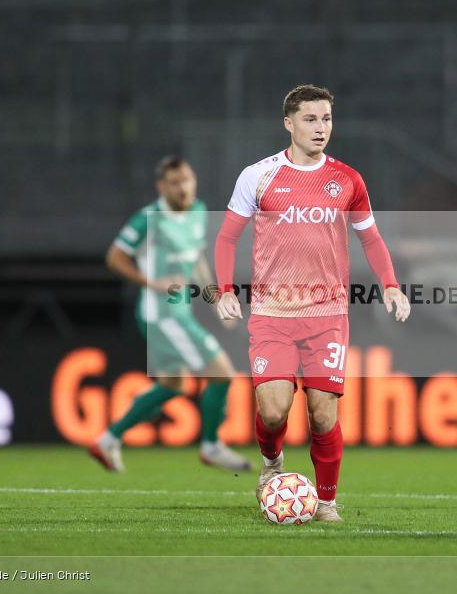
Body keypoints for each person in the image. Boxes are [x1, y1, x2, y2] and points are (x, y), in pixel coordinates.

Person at [214, 85, 411, 522]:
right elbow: (227, 237)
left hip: (327, 316)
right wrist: (225, 291)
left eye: (326, 119)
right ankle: (271, 463)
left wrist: (391, 285)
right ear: (288, 123)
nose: (321, 128)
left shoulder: (348, 180)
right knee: (273, 409)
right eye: (310, 119)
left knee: (322, 416)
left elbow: (370, 237)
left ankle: (326, 503)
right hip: (272, 314)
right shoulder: (257, 176)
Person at [89, 156, 251, 473]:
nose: (183, 187)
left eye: (187, 180)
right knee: (222, 374)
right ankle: (211, 445)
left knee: (173, 384)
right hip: (162, 315)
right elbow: (115, 257)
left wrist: (216, 299)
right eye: (175, 182)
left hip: (178, 313)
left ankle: (108, 439)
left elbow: (196, 261)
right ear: (161, 187)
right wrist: (151, 282)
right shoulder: (147, 219)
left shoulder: (198, 211)